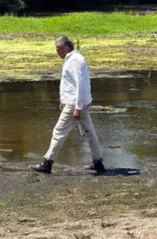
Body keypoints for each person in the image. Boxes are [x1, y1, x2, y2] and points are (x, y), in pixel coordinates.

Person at [30, 36, 105, 174]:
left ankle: (47, 163)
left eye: (58, 49)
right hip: (76, 102)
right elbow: (70, 83)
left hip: (75, 103)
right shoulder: (73, 59)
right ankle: (98, 162)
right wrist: (63, 100)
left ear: (66, 48)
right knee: (89, 132)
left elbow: (81, 85)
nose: (57, 52)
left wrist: (77, 107)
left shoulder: (75, 61)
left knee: (59, 131)